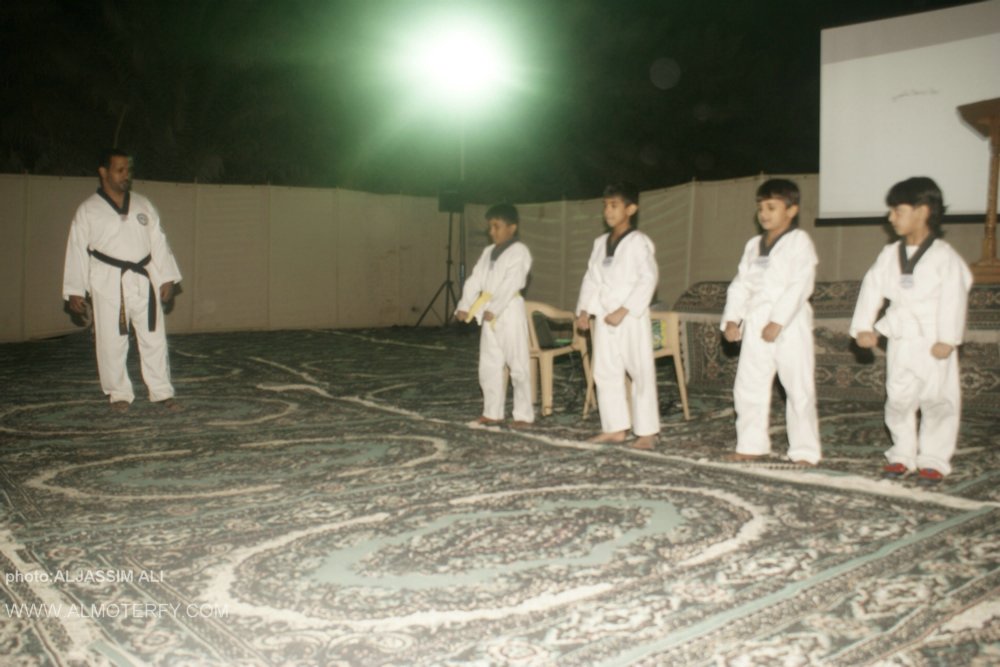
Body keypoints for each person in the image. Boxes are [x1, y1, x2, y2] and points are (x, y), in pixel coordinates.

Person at [850, 177, 972, 484]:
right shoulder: (890, 254)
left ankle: (934, 458)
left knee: (937, 399)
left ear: (922, 211)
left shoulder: (944, 256)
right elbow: (871, 288)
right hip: (902, 337)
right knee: (898, 397)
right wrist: (864, 327)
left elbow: (955, 296)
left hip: (933, 338)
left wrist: (948, 338)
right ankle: (902, 453)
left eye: (898, 211)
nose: (890, 217)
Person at [62, 148, 182, 412]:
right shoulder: (88, 210)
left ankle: (162, 391)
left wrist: (167, 278)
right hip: (108, 281)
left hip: (144, 278)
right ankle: (118, 394)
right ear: (103, 172)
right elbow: (76, 250)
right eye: (120, 170)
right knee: (111, 341)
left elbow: (159, 242)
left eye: (129, 170)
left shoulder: (143, 204)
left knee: (154, 338)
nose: (126, 175)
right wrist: (75, 290)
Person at [721, 178, 821, 465]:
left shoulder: (799, 241)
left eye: (771, 207)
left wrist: (778, 321)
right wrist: (732, 319)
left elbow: (801, 283)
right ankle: (751, 445)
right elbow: (740, 285)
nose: (764, 214)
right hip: (755, 321)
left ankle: (804, 450)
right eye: (760, 207)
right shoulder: (753, 245)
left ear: (791, 210)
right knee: (748, 386)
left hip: (790, 323)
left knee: (797, 388)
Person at [575, 182, 659, 450]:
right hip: (604, 316)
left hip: (630, 316)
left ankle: (647, 432)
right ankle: (615, 428)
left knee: (640, 371)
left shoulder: (638, 241)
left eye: (614, 205)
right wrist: (584, 310)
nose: (608, 211)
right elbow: (591, 279)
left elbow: (648, 278)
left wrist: (625, 309)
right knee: (605, 371)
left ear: (631, 209)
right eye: (605, 206)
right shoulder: (600, 243)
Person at [455, 203, 534, 427]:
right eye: (490, 227)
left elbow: (512, 282)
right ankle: (492, 411)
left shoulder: (520, 251)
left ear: (512, 227)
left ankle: (523, 414)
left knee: (518, 364)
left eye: (497, 226)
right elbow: (475, 279)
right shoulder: (488, 252)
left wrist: (495, 308)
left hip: (509, 309)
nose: (492, 232)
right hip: (488, 308)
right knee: (489, 363)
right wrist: (465, 304)